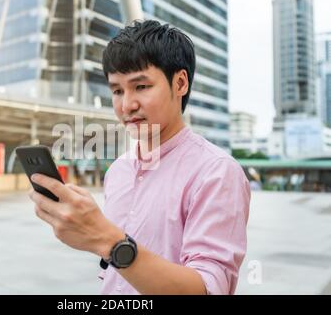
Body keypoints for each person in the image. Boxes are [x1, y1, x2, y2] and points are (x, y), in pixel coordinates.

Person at [28, 20, 251, 295]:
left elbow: (207, 289)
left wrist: (107, 239)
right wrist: (87, 233)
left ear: (180, 83)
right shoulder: (118, 170)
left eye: (142, 86)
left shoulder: (216, 173)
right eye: (117, 91)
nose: (127, 105)